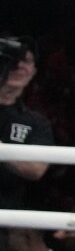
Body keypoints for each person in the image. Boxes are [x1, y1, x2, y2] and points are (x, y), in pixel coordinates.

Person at [0, 35, 51, 211]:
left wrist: (2, 151)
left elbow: (36, 169)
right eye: (13, 60)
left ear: (33, 72)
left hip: (5, 214)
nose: (19, 66)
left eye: (27, 61)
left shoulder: (35, 122)